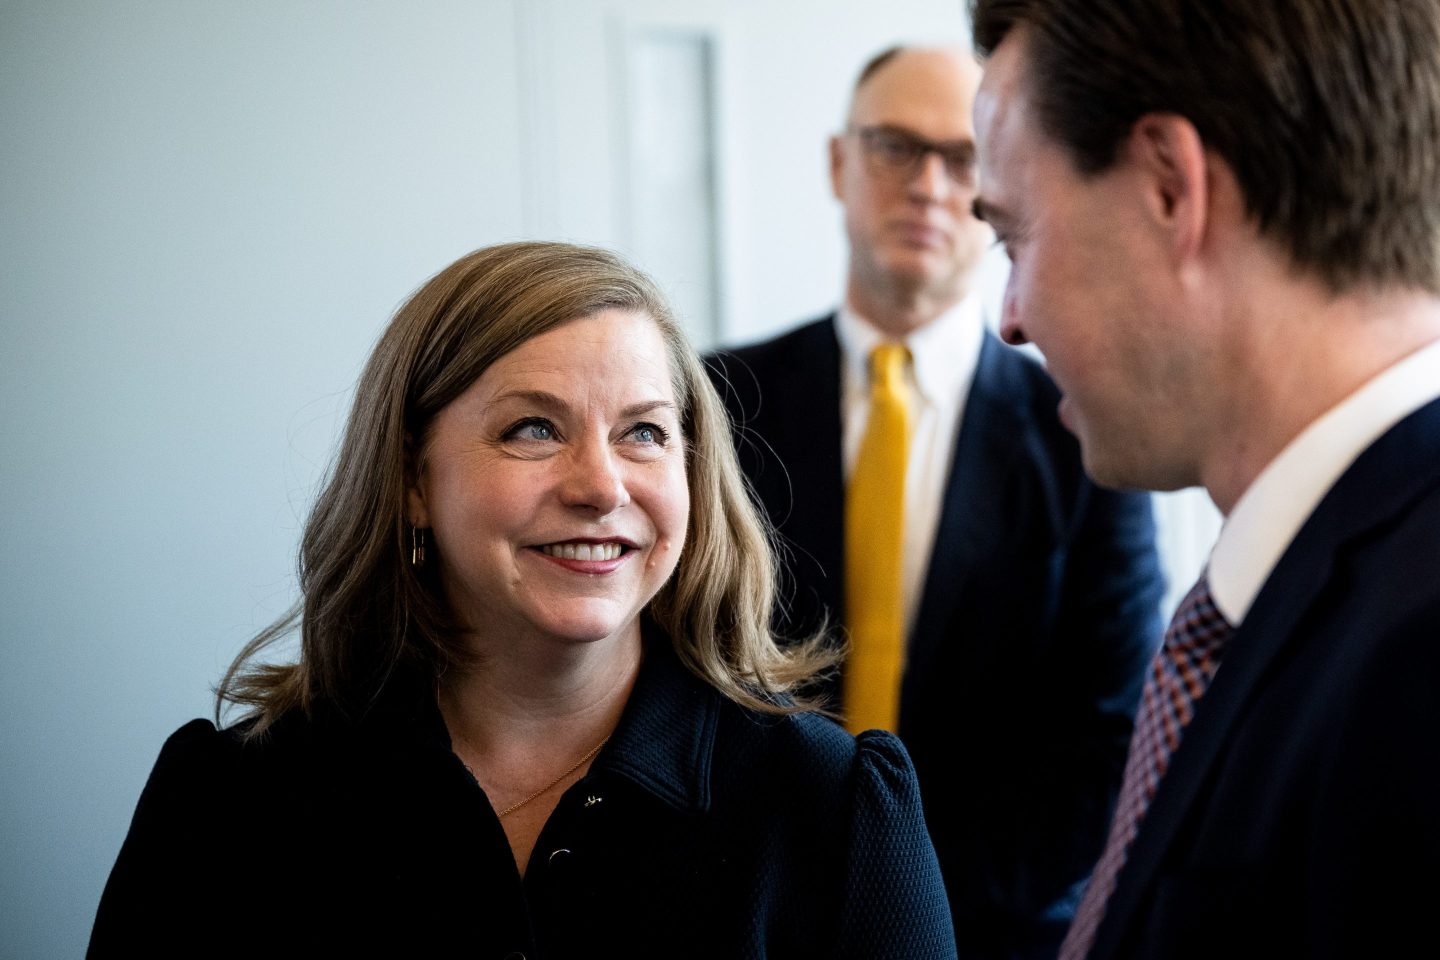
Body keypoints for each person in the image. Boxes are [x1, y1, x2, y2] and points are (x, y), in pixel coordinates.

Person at [88, 241, 957, 959]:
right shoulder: (228, 806)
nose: (601, 485)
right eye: (532, 429)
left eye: (644, 432)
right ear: (412, 481)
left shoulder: (834, 811)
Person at [968, 2, 1440, 958]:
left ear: (1167, 189)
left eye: (1015, 238)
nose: (1010, 318)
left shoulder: (1419, 648)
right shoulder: (1322, 587)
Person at [706, 47, 1164, 958]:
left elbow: (1109, 735)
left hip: (992, 931)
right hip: (741, 918)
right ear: (839, 164)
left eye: (962, 160)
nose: (926, 185)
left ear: (999, 188)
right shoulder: (718, 404)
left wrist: (905, 915)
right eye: (893, 148)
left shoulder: (1090, 433)